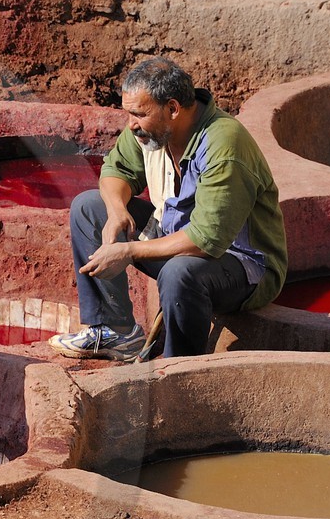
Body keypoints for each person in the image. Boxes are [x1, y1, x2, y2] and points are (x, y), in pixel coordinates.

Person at [49, 57, 287, 361]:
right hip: (177, 237)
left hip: (241, 265)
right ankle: (115, 332)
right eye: (129, 113)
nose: (131, 124)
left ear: (173, 108)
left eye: (139, 114)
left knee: (179, 272)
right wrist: (117, 210)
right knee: (89, 207)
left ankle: (178, 368)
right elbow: (116, 171)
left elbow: (205, 240)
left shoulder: (224, 144)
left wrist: (129, 250)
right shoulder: (152, 129)